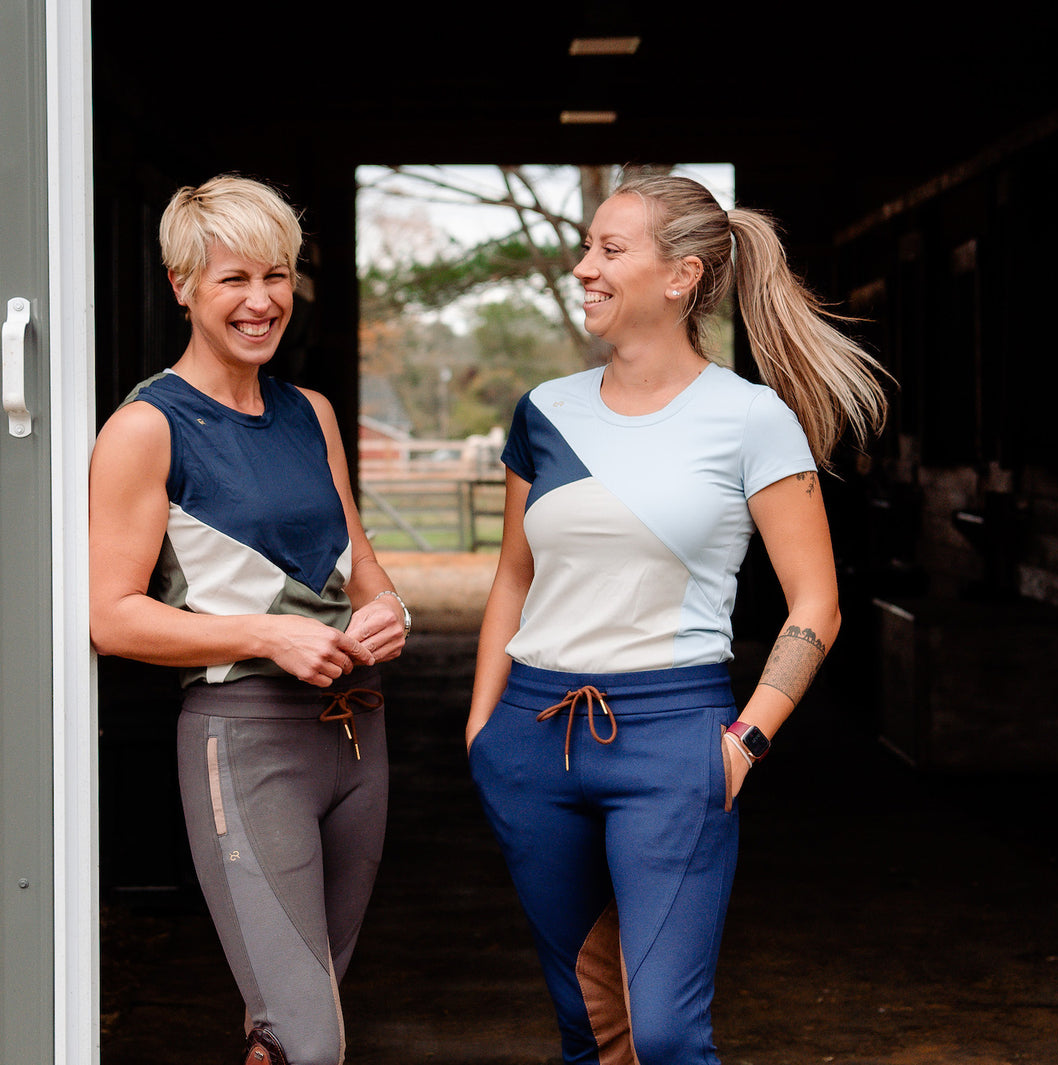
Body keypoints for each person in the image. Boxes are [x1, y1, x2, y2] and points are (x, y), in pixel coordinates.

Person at [465, 172, 888, 1064]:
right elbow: (512, 578)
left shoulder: (749, 418)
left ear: (681, 276)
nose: (584, 266)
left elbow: (818, 602)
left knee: (664, 1033)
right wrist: (482, 727)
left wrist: (746, 741)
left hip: (673, 739)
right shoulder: (544, 413)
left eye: (610, 250)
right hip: (531, 738)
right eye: (586, 245)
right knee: (591, 1025)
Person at [89, 174, 410, 1065]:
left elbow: (362, 566)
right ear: (182, 284)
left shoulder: (311, 413)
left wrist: (389, 613)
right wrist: (266, 633)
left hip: (356, 740)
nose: (261, 301)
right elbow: (111, 618)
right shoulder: (147, 428)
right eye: (233, 279)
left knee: (302, 1020)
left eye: (276, 276)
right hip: (246, 741)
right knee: (309, 1038)